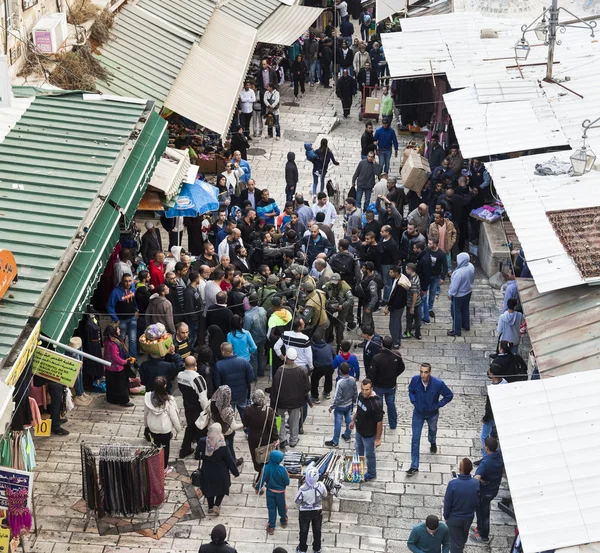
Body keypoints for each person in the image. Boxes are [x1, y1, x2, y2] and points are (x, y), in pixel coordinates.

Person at [406, 363, 454, 476]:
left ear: (430, 372)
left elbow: (449, 395)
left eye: (425, 372)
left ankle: (432, 442)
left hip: (432, 414)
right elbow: (411, 390)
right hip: (418, 413)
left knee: (433, 430)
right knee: (415, 439)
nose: (423, 374)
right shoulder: (415, 380)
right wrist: (414, 401)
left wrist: (437, 405)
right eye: (421, 371)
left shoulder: (438, 384)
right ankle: (414, 466)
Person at [195, 423, 240, 516]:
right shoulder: (222, 444)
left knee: (209, 488)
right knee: (222, 488)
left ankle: (210, 506)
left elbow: (197, 455)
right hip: (221, 471)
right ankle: (217, 505)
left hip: (207, 470)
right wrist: (235, 472)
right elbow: (229, 460)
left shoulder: (203, 441)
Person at [270, 348, 310, 448]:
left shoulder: (280, 371)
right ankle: (293, 440)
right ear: (295, 358)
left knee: (280, 420)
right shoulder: (301, 370)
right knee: (294, 421)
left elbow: (274, 388)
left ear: (286, 357)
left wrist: (273, 404)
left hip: (281, 402)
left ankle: (282, 439)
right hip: (296, 402)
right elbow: (307, 387)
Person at [144, 376, 181, 473]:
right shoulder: (169, 400)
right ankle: (164, 468)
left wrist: (146, 426)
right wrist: (178, 429)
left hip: (153, 427)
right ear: (164, 386)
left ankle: (155, 466)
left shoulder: (148, 398)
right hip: (165, 428)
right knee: (165, 448)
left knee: (155, 447)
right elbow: (173, 416)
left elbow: (146, 413)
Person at [349, 378, 384, 481]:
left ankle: (372, 473)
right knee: (358, 450)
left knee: (370, 455)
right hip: (359, 430)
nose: (364, 392)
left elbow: (380, 422)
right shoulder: (360, 395)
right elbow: (359, 410)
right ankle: (358, 468)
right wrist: (353, 420)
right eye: (363, 389)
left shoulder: (375, 403)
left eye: (367, 390)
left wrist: (378, 439)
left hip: (369, 435)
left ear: (371, 389)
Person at [472, 437, 504, 545]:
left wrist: (480, 480)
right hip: (494, 488)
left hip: (485, 492)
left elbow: (476, 478)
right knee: (480, 510)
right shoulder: (499, 455)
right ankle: (479, 528)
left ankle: (484, 536)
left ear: (486, 448)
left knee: (483, 513)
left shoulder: (486, 463)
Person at [368, 336, 405, 430]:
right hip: (391, 386)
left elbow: (372, 374)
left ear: (382, 345)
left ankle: (377, 423)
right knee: (391, 404)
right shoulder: (397, 355)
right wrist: (394, 375)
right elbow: (402, 368)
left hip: (378, 386)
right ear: (392, 345)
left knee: (378, 406)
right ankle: (393, 424)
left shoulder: (377, 358)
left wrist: (371, 383)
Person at [443, 458, 480, 553]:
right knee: (463, 538)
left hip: (454, 518)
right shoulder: (476, 483)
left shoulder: (453, 484)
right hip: (468, 517)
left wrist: (446, 516)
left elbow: (447, 502)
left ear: (460, 469)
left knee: (455, 545)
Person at [242, 389, 279, 482]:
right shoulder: (269, 411)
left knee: (258, 456)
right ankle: (267, 475)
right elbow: (273, 427)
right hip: (267, 439)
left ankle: (260, 474)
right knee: (267, 456)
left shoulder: (248, 409)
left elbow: (245, 423)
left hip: (253, 439)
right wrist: (276, 438)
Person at [177, 356, 210, 458]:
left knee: (190, 426)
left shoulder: (180, 375)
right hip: (197, 407)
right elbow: (203, 398)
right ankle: (199, 453)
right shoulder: (197, 379)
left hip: (187, 405)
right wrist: (207, 411)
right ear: (195, 365)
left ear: (184, 365)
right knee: (201, 429)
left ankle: (185, 449)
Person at [214, 342, 254, 417]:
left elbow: (217, 384)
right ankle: (246, 428)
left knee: (229, 417)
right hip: (242, 394)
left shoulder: (219, 365)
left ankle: (231, 428)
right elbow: (251, 378)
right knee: (245, 415)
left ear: (223, 352)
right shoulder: (244, 361)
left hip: (228, 397)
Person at [295, 464, 328, 553]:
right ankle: (316, 549)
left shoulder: (302, 489)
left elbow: (297, 500)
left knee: (303, 531)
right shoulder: (321, 486)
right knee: (317, 530)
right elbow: (325, 495)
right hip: (317, 511)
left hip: (304, 512)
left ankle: (302, 549)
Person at [256, 450, 290, 535]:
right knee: (282, 507)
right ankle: (283, 521)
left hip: (270, 492)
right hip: (280, 493)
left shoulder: (266, 468)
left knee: (271, 509)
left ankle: (272, 526)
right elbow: (287, 482)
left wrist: (257, 488)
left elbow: (261, 480)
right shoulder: (282, 469)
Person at [325, 362, 358, 447]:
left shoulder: (340, 382)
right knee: (348, 419)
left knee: (338, 422)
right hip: (349, 404)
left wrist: (332, 406)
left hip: (340, 406)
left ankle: (335, 441)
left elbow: (337, 397)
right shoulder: (352, 380)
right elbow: (355, 392)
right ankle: (347, 435)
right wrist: (354, 402)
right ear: (349, 370)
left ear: (340, 371)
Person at [107, 273, 138, 359]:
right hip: (121, 321)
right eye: (126, 281)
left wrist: (136, 309)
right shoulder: (115, 292)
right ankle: (122, 359)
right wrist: (116, 319)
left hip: (132, 318)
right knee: (121, 340)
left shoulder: (133, 289)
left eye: (129, 281)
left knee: (133, 340)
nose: (128, 283)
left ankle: (132, 359)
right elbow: (109, 306)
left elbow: (135, 300)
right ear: (122, 281)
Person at [102, 323, 133, 408]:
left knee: (111, 385)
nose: (119, 330)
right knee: (121, 386)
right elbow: (116, 358)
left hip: (109, 368)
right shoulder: (113, 344)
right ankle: (124, 401)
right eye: (118, 329)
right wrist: (125, 362)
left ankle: (111, 399)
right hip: (117, 369)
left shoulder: (108, 341)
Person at [448, 252, 475, 337]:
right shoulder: (471, 266)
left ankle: (456, 331)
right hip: (468, 291)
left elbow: (454, 287)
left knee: (456, 312)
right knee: (465, 309)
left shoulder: (458, 273)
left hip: (459, 295)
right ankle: (466, 325)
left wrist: (450, 294)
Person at [243, 295, 268, 378]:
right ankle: (261, 372)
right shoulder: (263, 310)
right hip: (263, 336)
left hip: (253, 339)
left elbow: (246, 329)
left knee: (253, 357)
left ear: (249, 303)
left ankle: (253, 375)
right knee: (261, 355)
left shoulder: (248, 316)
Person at [385, 266, 408, 349]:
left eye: (391, 272)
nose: (389, 274)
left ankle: (395, 343)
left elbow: (397, 300)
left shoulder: (400, 285)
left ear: (396, 273)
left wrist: (389, 308)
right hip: (398, 306)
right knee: (397, 323)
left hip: (397, 307)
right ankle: (398, 340)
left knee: (393, 325)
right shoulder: (397, 279)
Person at [425, 238, 448, 321]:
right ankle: (424, 307)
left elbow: (445, 266)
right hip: (427, 275)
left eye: (430, 243)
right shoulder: (427, 250)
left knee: (432, 293)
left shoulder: (441, 254)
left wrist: (443, 277)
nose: (428, 245)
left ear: (435, 244)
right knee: (423, 292)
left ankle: (430, 308)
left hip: (435, 276)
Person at [311, 336, 335, 403]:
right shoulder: (328, 346)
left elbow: (311, 358)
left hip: (319, 368)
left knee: (314, 381)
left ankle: (315, 397)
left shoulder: (313, 348)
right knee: (329, 378)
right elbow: (334, 355)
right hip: (330, 366)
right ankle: (327, 392)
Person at [379, 224, 399, 304]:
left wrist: (393, 268)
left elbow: (395, 257)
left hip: (387, 264)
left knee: (387, 282)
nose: (381, 233)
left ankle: (387, 299)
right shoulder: (382, 239)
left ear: (387, 232)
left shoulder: (392, 244)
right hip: (381, 263)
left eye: (382, 231)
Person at [405, 263, 422, 340]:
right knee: (417, 320)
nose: (405, 270)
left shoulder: (413, 281)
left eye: (406, 269)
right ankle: (418, 334)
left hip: (412, 303)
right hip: (418, 302)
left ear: (410, 270)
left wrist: (412, 307)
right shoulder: (416, 276)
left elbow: (414, 294)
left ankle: (408, 333)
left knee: (409, 319)